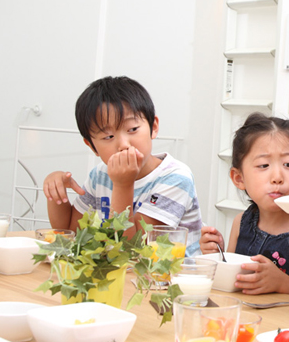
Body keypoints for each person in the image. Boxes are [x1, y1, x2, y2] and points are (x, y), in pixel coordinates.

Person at [43, 76, 203, 255]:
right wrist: (55, 192)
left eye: (133, 129)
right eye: (108, 137)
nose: (123, 144)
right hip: (123, 277)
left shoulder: (176, 178)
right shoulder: (100, 175)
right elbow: (71, 232)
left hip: (172, 278)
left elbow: (133, 250)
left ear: (153, 127)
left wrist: (122, 185)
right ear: (91, 146)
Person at [200, 113, 289, 303]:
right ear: (239, 178)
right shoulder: (241, 223)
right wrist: (217, 258)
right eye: (263, 165)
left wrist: (283, 284)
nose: (277, 177)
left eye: (288, 164)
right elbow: (231, 288)